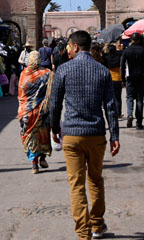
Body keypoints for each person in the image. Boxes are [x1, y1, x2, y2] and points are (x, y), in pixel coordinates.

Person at [50, 30, 120, 240]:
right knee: (96, 180)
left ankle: (83, 233)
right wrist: (114, 135)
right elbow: (110, 106)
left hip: (71, 135)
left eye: (69, 47)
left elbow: (54, 104)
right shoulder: (102, 71)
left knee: (76, 184)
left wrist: (54, 128)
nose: (67, 50)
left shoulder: (63, 70)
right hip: (96, 134)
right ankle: (97, 225)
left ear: (76, 46)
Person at [18, 51, 54, 174]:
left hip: (26, 112)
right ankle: (42, 157)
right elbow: (51, 92)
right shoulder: (47, 74)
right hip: (42, 111)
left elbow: (21, 95)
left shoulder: (23, 74)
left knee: (31, 135)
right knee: (43, 134)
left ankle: (34, 165)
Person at [121, 33, 144, 129]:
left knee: (129, 97)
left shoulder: (126, 51)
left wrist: (122, 79)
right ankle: (139, 123)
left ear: (131, 40)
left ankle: (129, 114)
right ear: (139, 40)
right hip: (141, 77)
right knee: (140, 100)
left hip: (130, 77)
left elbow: (123, 65)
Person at [101, 42, 123, 118]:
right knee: (118, 98)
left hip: (109, 80)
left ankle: (110, 111)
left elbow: (103, 53)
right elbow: (122, 52)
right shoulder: (118, 57)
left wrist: (106, 46)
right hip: (118, 79)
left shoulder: (106, 58)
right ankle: (119, 113)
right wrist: (119, 48)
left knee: (110, 98)